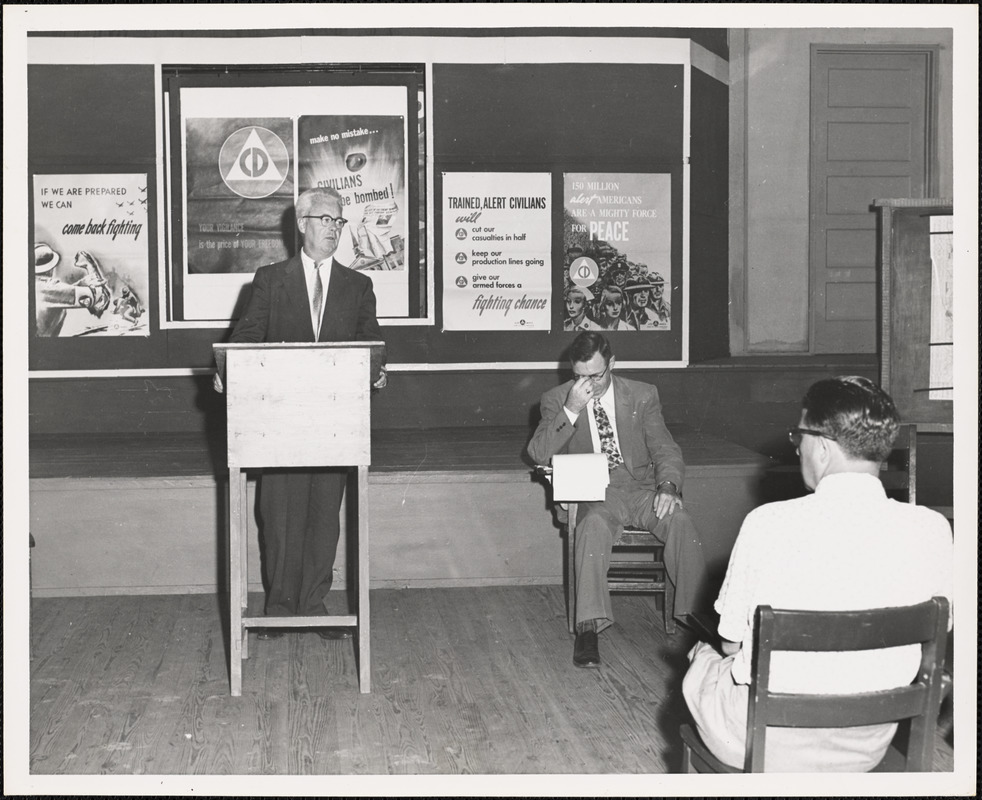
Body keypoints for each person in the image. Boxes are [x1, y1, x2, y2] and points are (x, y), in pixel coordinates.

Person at [682, 376, 953, 772]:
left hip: (768, 738)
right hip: (869, 742)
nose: (798, 449)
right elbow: (942, 632)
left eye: (799, 437)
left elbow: (730, 646)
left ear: (823, 448)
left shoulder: (768, 523)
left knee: (700, 659)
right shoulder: (933, 528)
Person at [214, 186, 388, 640]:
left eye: (339, 221)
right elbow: (247, 334)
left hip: (334, 426)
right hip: (277, 424)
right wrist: (230, 367)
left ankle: (313, 603)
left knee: (323, 515)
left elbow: (371, 343)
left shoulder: (358, 285)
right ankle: (278, 607)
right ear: (303, 223)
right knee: (278, 514)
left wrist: (378, 369)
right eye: (326, 219)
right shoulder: (271, 279)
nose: (333, 228)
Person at [527, 332, 710, 668]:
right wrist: (571, 409)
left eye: (595, 375)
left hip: (642, 488)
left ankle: (696, 618)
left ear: (612, 364)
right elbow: (538, 452)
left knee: (680, 521)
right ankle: (588, 628)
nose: (588, 384)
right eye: (579, 376)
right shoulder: (558, 399)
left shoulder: (641, 395)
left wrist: (668, 486)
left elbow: (665, 448)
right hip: (595, 491)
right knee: (593, 525)